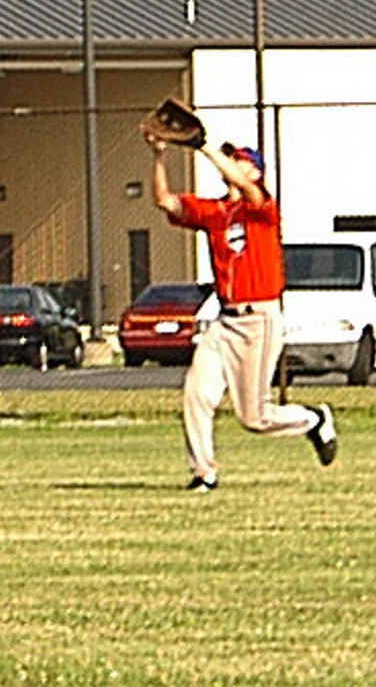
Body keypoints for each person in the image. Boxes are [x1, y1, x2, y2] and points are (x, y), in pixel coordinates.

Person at [145, 128, 337, 491]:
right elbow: (165, 202)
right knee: (196, 394)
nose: (232, 163)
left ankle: (313, 419)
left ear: (255, 172)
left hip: (258, 319)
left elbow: (244, 186)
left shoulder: (261, 206)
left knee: (254, 416)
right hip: (224, 321)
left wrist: (203, 147)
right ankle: (204, 473)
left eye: (240, 160)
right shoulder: (216, 212)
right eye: (231, 157)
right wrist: (158, 156)